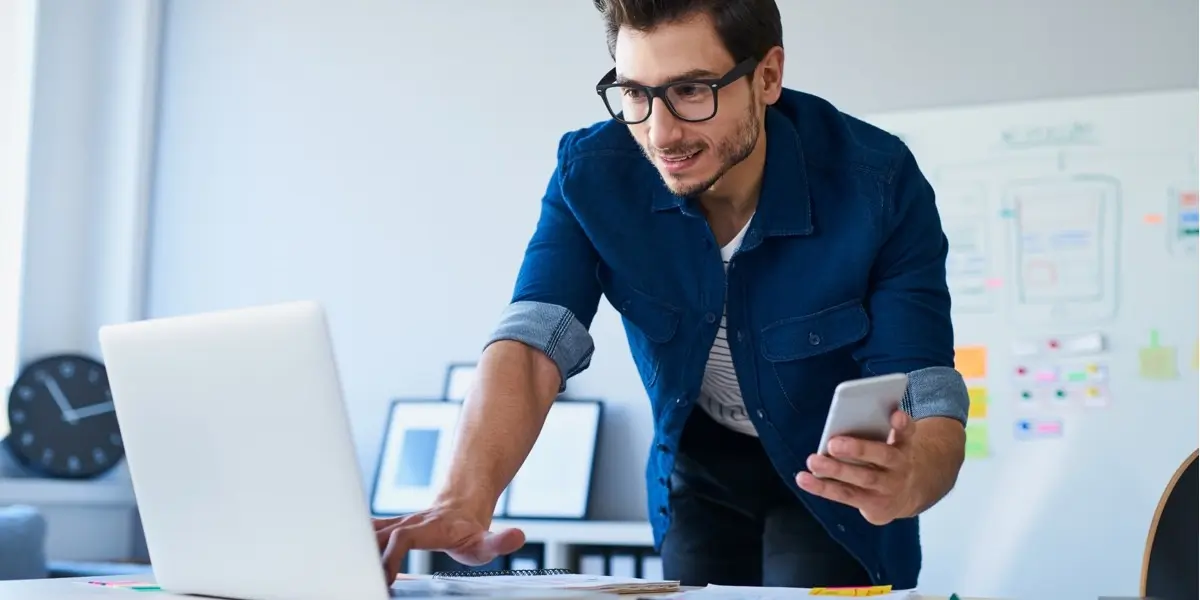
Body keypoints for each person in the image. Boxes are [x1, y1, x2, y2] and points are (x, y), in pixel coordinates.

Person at [374, 0, 969, 589]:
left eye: (690, 90)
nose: (660, 134)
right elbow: (534, 338)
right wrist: (462, 499)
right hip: (699, 467)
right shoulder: (592, 174)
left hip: (830, 478)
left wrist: (916, 473)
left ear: (767, 76)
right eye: (635, 93)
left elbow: (925, 386)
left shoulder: (879, 182)